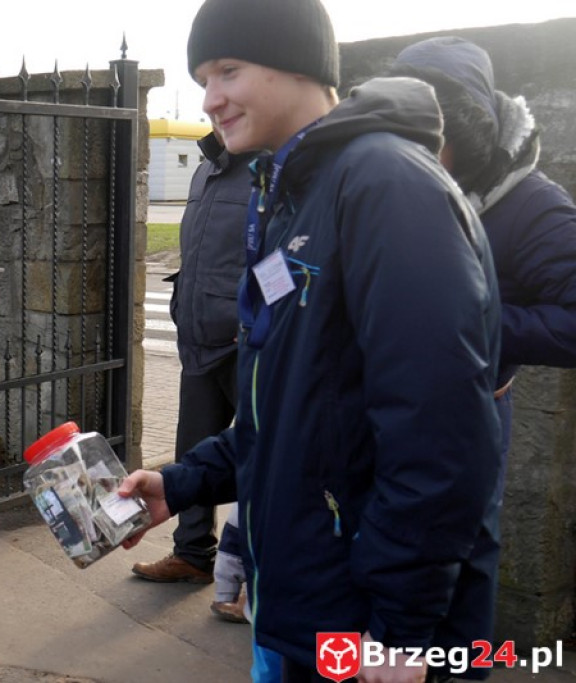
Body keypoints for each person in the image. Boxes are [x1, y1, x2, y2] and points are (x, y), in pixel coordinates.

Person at [120, 1, 502, 681]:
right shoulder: (290, 192)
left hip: (367, 635)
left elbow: (439, 434)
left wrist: (402, 629)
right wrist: (181, 483)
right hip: (301, 611)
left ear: (297, 62)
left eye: (227, 70)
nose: (209, 99)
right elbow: (288, 411)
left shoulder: (387, 185)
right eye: (203, 77)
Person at [387, 34, 576, 672]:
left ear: (467, 129)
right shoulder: (406, 180)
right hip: (395, 403)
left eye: (427, 129)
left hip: (475, 409)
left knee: (465, 557)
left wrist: (471, 320)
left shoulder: (535, 206)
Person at [132, 129, 253, 602]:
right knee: (194, 450)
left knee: (258, 456)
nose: (216, 106)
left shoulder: (272, 172)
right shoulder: (205, 170)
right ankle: (192, 555)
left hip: (245, 343)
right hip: (199, 339)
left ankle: (249, 573)